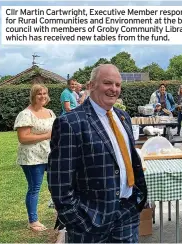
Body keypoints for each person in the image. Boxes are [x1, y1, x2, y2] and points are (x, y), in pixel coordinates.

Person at [48, 64, 147, 243]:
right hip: (90, 222)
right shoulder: (70, 123)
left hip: (127, 215)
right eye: (107, 83)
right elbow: (59, 183)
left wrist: (136, 200)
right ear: (91, 85)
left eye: (118, 85)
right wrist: (77, 221)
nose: (114, 89)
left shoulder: (123, 116)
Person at [14, 84, 56, 232]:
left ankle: (60, 211)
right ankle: (33, 221)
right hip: (32, 158)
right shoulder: (25, 114)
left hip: (50, 155)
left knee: (55, 185)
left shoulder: (50, 112)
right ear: (33, 95)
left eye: (45, 93)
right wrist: (47, 135)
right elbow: (23, 138)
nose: (43, 96)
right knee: (35, 188)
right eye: (39, 94)